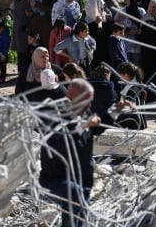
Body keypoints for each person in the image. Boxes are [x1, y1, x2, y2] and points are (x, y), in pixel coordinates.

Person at [39, 79, 100, 227]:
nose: (89, 106)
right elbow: (58, 142)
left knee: (84, 217)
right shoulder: (54, 116)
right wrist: (81, 127)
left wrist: (117, 109)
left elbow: (99, 127)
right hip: (55, 181)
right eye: (86, 101)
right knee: (74, 195)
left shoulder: (86, 112)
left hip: (82, 182)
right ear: (71, 98)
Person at [10, 0, 38, 76]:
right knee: (21, 50)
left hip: (30, 24)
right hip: (20, 24)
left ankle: (30, 71)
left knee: (30, 49)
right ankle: (21, 73)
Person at [115, 0, 146, 66]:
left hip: (137, 46)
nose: (125, 1)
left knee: (137, 67)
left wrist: (135, 31)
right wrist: (119, 19)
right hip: (125, 46)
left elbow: (145, 28)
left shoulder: (140, 11)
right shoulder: (121, 11)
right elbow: (115, 29)